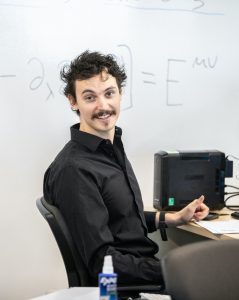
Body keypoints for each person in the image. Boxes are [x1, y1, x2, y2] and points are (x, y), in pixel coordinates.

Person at [43, 50, 209, 286]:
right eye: (90, 97)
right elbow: (102, 263)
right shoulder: (75, 170)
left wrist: (172, 218)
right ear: (73, 101)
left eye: (109, 93)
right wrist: (176, 270)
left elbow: (121, 216)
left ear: (120, 93)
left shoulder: (111, 147)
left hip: (141, 272)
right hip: (125, 285)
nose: (103, 106)